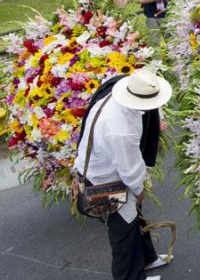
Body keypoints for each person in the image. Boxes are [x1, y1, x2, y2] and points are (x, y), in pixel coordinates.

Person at [73, 69, 173, 280]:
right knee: (123, 236)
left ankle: (147, 259)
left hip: (100, 171)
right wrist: (138, 190)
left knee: (134, 219)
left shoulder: (116, 97)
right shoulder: (120, 129)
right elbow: (129, 169)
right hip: (103, 181)